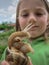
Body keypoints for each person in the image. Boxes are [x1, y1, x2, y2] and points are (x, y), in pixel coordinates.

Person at [1, 0, 49, 65]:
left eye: (39, 14)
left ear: (48, 20)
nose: (32, 19)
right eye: (25, 15)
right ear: (18, 21)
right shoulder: (10, 48)